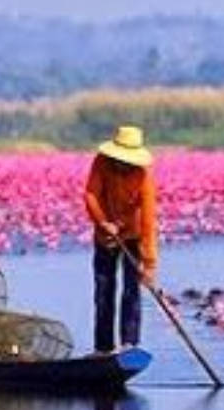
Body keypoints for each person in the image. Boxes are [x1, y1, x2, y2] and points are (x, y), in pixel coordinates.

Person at [83, 125, 159, 355]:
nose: (123, 164)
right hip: (105, 234)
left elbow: (148, 221)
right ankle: (103, 347)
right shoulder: (102, 163)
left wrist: (149, 265)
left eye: (127, 161)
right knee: (104, 289)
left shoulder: (143, 176)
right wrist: (102, 222)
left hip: (133, 235)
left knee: (131, 289)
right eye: (120, 159)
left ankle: (129, 344)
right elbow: (91, 194)